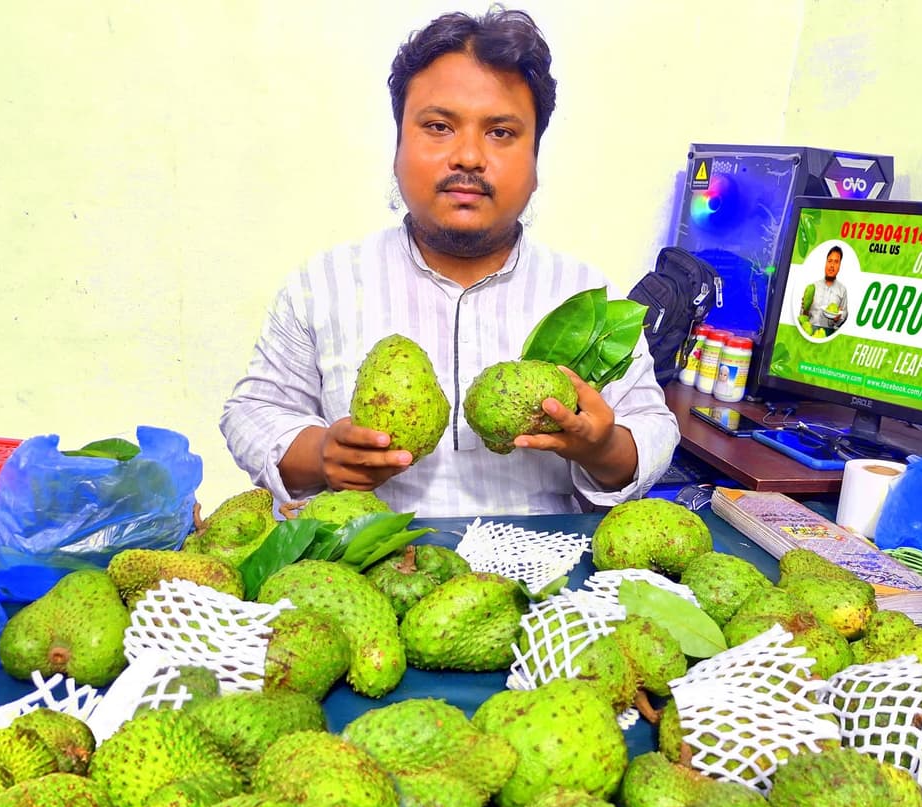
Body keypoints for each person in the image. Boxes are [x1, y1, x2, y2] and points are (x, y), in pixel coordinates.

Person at [220, 8, 679, 517]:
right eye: (438, 126)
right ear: (397, 147)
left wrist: (602, 447)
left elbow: (654, 427)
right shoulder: (322, 285)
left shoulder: (586, 297)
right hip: (370, 563)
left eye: (501, 133)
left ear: (534, 161)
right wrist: (322, 455)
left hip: (540, 572)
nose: (468, 157)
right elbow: (251, 412)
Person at [804, 245, 849, 333]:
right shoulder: (813, 287)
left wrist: (838, 318)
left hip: (829, 333)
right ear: (826, 263)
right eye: (830, 261)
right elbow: (803, 314)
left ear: (840, 266)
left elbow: (845, 314)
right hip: (809, 330)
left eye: (836, 262)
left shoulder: (842, 290)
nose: (832, 265)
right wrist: (805, 307)